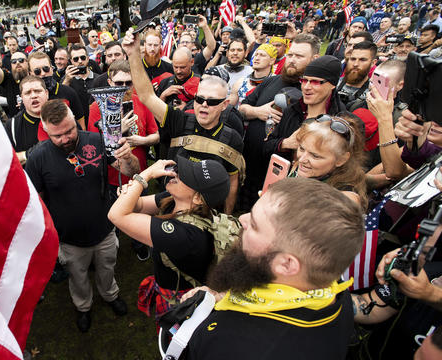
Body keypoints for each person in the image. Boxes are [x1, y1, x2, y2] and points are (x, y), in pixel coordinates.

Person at [183, 177, 365, 359]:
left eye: (254, 225)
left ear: (287, 264)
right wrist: (219, 298)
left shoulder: (236, 348)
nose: (242, 219)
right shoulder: (330, 290)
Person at [25, 99, 140, 333]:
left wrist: (128, 157)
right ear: (44, 128)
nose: (66, 139)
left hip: (104, 229)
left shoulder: (97, 140)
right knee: (77, 277)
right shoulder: (37, 158)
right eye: (57, 136)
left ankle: (110, 295)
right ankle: (83, 307)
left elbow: (132, 171)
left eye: (69, 130)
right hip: (69, 239)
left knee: (107, 267)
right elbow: (35, 203)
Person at [123, 30, 245, 214]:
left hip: (207, 214)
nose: (204, 105)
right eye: (199, 99)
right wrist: (133, 54)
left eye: (212, 102)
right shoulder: (179, 120)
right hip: (170, 204)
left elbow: (232, 183)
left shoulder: (232, 138)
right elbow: (147, 96)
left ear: (224, 105)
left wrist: (226, 220)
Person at [108, 157, 232, 318]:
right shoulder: (176, 200)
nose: (176, 174)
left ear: (198, 198)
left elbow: (117, 215)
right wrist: (129, 194)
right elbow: (138, 205)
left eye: (186, 177)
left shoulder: (185, 237)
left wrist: (145, 175)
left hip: (179, 299)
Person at [87, 60, 159, 262]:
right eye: (119, 84)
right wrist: (117, 131)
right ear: (109, 81)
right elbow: (94, 145)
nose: (124, 88)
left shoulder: (141, 102)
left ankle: (140, 244)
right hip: (111, 177)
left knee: (140, 214)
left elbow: (156, 135)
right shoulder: (96, 108)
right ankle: (114, 246)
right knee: (114, 216)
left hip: (139, 174)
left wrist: (142, 140)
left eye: (128, 83)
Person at [238, 33, 320, 210]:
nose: (291, 60)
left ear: (314, 59)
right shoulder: (272, 81)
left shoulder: (314, 93)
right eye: (290, 54)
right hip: (250, 166)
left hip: (281, 176)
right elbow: (242, 108)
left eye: (299, 56)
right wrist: (257, 111)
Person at [264, 55, 347, 161]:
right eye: (304, 80)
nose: (307, 87)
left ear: (332, 85)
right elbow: (267, 147)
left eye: (315, 82)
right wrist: (285, 143)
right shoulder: (292, 110)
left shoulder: (342, 121)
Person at [290, 114, 367, 207]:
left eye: (315, 156)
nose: (302, 159)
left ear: (341, 160)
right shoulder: (299, 167)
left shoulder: (345, 200)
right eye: (301, 148)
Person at [28, 52, 86, 131]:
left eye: (46, 69)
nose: (43, 74)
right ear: (30, 73)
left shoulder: (68, 92)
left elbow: (81, 125)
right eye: (37, 71)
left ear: (52, 68)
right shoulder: (28, 99)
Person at [3, 76, 49, 165]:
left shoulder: (62, 114)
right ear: (22, 98)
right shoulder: (12, 126)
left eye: (38, 91)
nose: (33, 96)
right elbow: (5, 160)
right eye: (28, 93)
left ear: (46, 93)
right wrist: (28, 154)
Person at [337, 41, 377, 111]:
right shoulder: (333, 83)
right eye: (353, 59)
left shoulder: (373, 94)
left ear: (373, 63)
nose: (356, 64)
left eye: (362, 60)